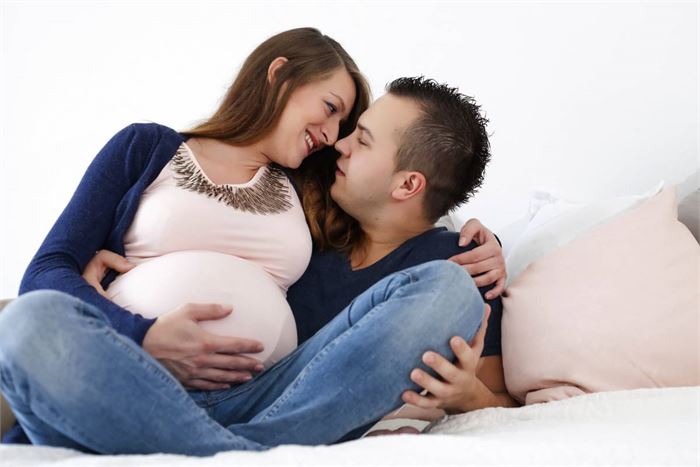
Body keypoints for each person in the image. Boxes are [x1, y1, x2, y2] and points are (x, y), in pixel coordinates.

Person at [0, 26, 505, 452]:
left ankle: (230, 450)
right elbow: (46, 271)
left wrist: (485, 238)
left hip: (267, 398)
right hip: (130, 380)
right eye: (330, 108)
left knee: (451, 288)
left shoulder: (314, 185)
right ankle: (243, 456)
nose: (335, 138)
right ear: (280, 74)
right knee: (25, 321)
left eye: (347, 126)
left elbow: (403, 213)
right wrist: (141, 335)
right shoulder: (146, 147)